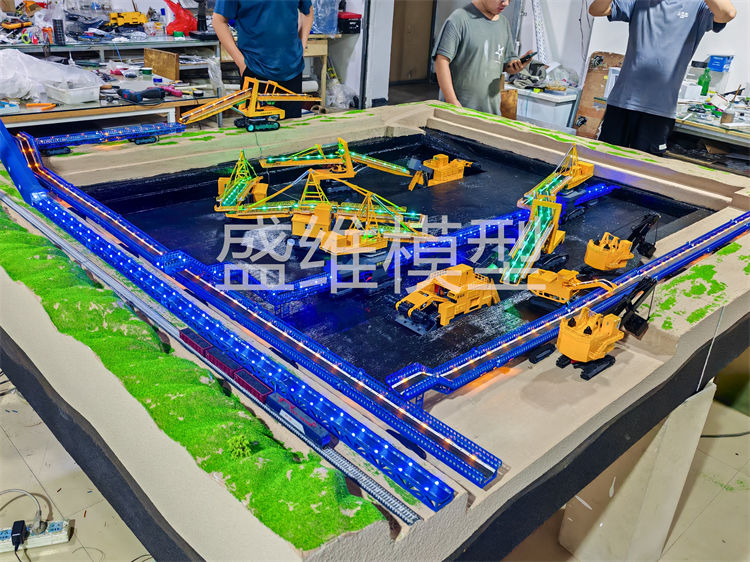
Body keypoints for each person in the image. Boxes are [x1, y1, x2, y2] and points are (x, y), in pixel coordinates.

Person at [589, 0, 736, 154]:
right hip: (622, 102)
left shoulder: (698, 5)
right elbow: (596, 10)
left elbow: (728, 13)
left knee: (645, 165)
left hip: (660, 109)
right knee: (604, 160)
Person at [213, 0, 314, 119]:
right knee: (257, 128)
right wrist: (241, 63)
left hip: (292, 70)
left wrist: (301, 47)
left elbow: (308, 12)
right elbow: (218, 21)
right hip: (255, 70)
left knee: (293, 127)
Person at [432, 0, 533, 115]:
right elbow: (441, 61)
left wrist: (515, 66)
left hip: (490, 112)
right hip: (460, 110)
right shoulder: (459, 19)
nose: (506, 3)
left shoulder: (503, 24)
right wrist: (452, 102)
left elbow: (505, 63)